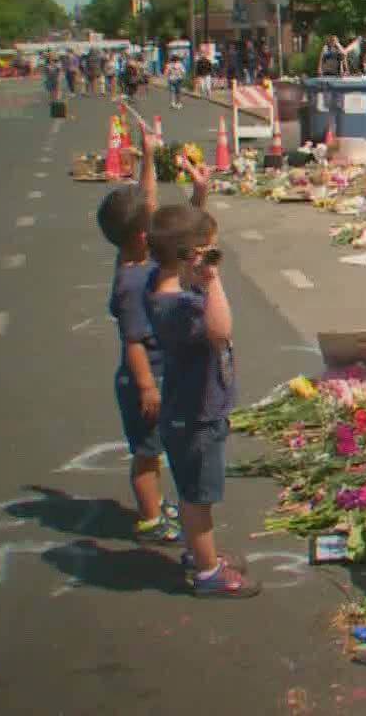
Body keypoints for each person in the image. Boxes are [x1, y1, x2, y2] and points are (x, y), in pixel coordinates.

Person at [95, 106, 208, 550]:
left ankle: (158, 506)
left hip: (165, 372)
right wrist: (146, 386)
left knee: (160, 445)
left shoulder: (136, 254)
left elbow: (155, 207)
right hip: (146, 377)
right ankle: (149, 517)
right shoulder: (131, 282)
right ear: (145, 236)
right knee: (147, 453)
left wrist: (146, 153)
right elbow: (134, 342)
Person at [144, 201, 259, 598]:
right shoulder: (181, 309)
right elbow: (221, 330)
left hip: (190, 411)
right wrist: (212, 281)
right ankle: (207, 571)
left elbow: (172, 234)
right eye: (207, 251)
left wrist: (199, 194)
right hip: (196, 416)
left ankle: (201, 551)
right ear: (190, 258)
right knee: (198, 497)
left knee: (196, 491)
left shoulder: (159, 285)